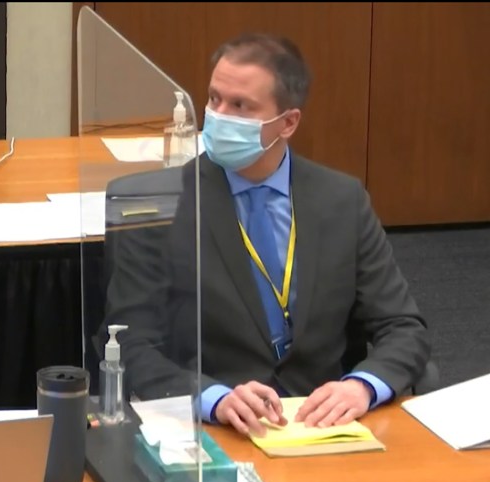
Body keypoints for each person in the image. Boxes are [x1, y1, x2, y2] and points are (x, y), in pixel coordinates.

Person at [102, 33, 431, 437]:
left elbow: (402, 326)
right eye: (214, 99)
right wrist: (213, 398)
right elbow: (129, 346)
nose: (218, 116)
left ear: (288, 122)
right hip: (212, 430)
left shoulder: (342, 200)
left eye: (239, 106)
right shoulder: (155, 206)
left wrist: (364, 386)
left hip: (324, 428)